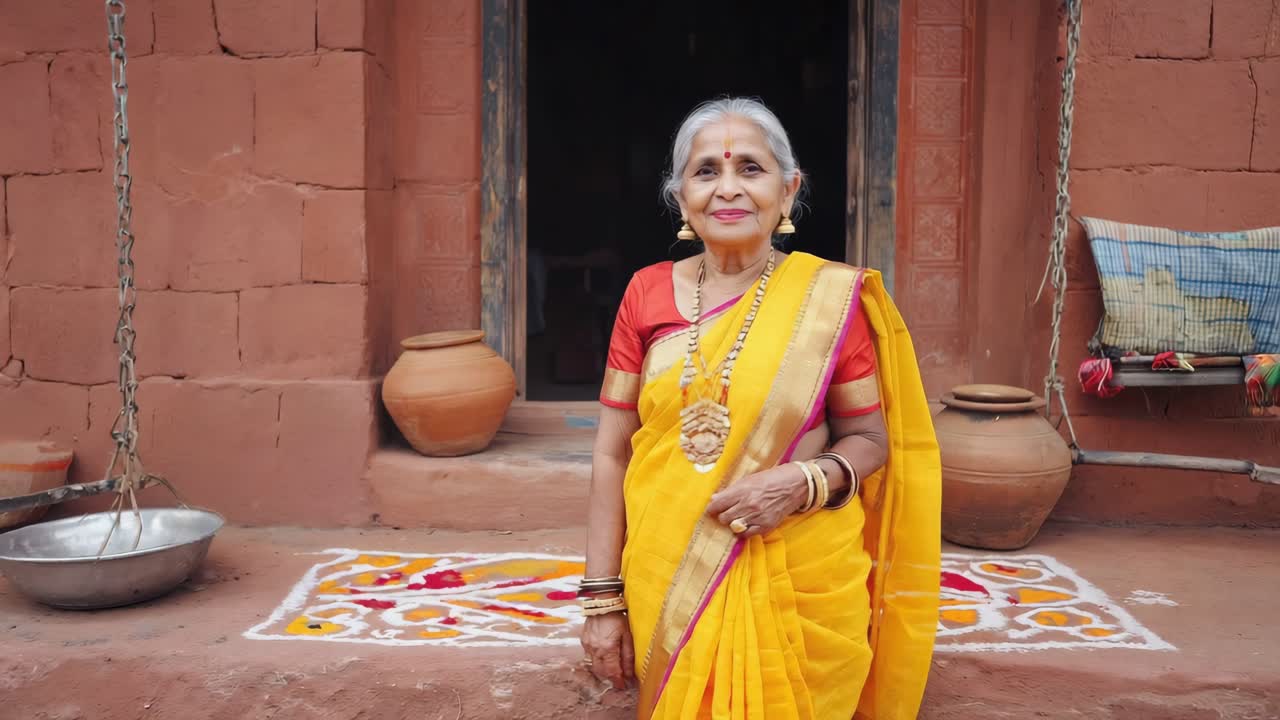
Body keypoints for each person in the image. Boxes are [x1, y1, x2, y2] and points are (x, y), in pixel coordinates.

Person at [578, 97, 941, 719]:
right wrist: (601, 599)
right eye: (706, 172)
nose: (728, 189)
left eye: (750, 169)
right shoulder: (645, 293)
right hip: (670, 571)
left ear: (788, 188)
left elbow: (869, 440)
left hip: (803, 575)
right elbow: (612, 454)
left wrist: (800, 483)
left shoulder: (830, 300)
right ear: (680, 195)